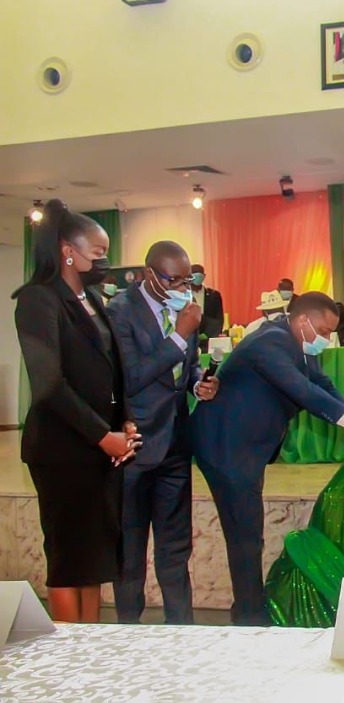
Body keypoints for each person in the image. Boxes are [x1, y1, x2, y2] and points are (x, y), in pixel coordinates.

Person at [191, 292, 344, 625]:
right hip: (225, 446)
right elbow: (302, 390)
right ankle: (250, 618)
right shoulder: (269, 342)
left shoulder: (299, 343)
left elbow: (320, 383)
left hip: (248, 447)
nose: (326, 340)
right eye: (323, 332)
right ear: (302, 320)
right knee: (244, 533)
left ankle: (250, 608)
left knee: (248, 531)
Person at [12, 199, 140, 623]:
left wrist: (124, 422)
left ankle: (90, 640)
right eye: (98, 253)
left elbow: (110, 368)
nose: (105, 262)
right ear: (68, 251)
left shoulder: (93, 299)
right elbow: (49, 383)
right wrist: (103, 436)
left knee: (94, 557)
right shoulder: (38, 299)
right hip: (62, 449)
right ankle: (69, 648)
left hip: (100, 447)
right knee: (69, 556)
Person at [107, 241, 220, 625]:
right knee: (130, 552)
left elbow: (185, 368)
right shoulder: (119, 311)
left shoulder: (184, 310)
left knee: (175, 548)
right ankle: (128, 632)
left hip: (174, 443)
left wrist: (198, 384)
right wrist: (178, 336)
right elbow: (131, 377)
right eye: (173, 280)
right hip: (135, 446)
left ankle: (181, 631)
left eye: (187, 280)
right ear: (148, 274)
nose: (182, 288)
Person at [191, 264, 225, 348]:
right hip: (189, 340)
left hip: (209, 340)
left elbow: (219, 319)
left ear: (204, 276)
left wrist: (209, 335)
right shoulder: (182, 295)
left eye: (200, 275)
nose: (198, 278)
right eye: (195, 274)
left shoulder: (214, 295)